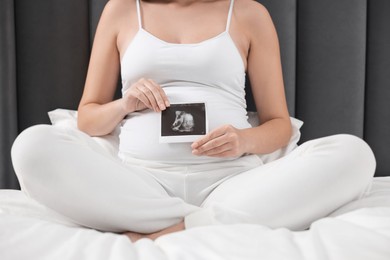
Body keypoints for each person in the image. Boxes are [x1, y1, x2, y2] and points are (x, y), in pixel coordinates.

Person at [11, 0, 376, 242]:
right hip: (139, 183)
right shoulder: (122, 10)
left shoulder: (248, 13)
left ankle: (173, 227)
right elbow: (88, 118)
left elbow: (279, 124)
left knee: (354, 154)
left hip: (232, 181)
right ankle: (202, 221)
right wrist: (125, 104)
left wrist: (245, 140)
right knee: (31, 146)